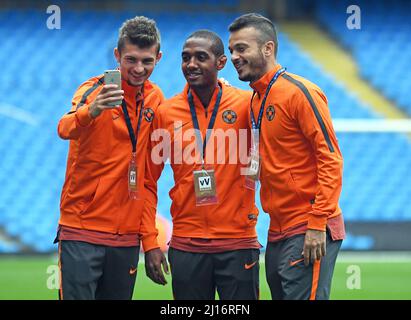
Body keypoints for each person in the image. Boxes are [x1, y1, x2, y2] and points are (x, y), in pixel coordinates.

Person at [228, 13, 345, 300]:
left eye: (241, 48)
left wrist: (317, 223)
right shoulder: (256, 100)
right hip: (278, 229)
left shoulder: (299, 92)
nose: (234, 56)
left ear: (268, 48)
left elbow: (330, 158)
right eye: (232, 50)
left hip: (308, 224)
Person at [56, 16, 168, 300]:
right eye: (131, 59)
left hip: (126, 237)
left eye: (147, 61)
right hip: (83, 231)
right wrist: (91, 111)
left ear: (158, 57)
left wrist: (150, 241)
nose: (139, 69)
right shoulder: (94, 90)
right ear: (117, 55)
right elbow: (64, 128)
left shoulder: (157, 101)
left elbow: (148, 180)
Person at [143, 30, 261, 300]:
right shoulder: (165, 112)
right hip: (187, 243)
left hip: (238, 241)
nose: (191, 64)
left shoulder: (247, 105)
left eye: (200, 57)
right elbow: (148, 182)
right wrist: (150, 241)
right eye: (185, 58)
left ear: (221, 63)